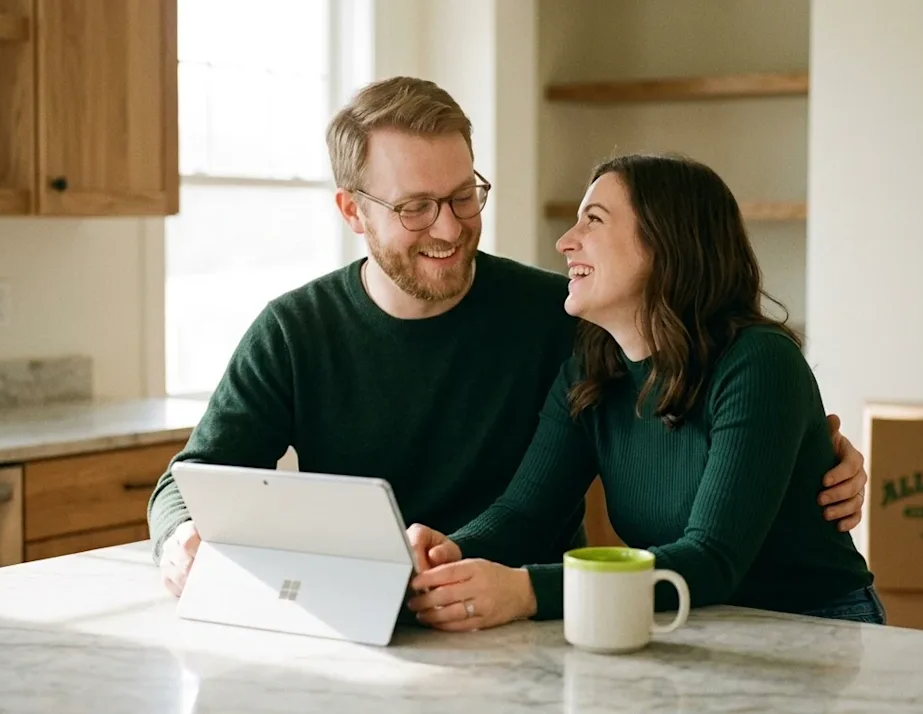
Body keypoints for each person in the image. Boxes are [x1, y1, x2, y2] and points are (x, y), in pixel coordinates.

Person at [148, 76, 869, 597]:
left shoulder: (565, 319)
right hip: (403, 601)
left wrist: (814, 453)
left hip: (539, 612)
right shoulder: (293, 332)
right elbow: (189, 480)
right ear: (352, 212)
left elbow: (714, 412)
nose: (449, 226)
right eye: (416, 206)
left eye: (464, 196)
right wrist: (181, 537)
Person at [404, 154, 884, 630]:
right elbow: (526, 515)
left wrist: (526, 591)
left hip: (817, 625)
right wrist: (450, 553)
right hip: (693, 622)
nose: (565, 242)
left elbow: (711, 559)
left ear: (665, 242)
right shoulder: (590, 372)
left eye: (593, 220)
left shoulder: (759, 363)